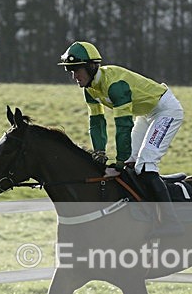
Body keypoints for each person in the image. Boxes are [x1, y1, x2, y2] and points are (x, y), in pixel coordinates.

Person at [58, 41, 184, 238]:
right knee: (130, 164)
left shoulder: (116, 85)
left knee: (146, 164)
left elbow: (123, 126)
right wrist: (99, 152)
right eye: (70, 71)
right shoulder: (90, 89)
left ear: (91, 67)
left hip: (165, 110)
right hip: (145, 114)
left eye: (77, 70)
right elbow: (97, 122)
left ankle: (171, 222)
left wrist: (117, 161)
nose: (74, 76)